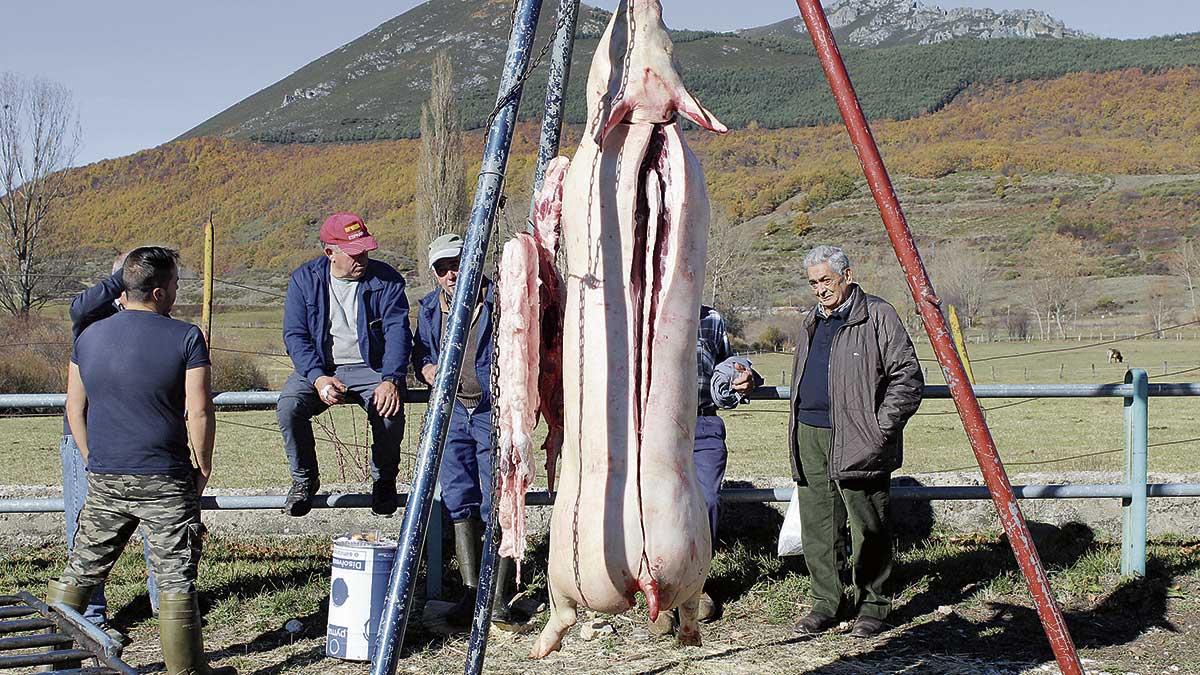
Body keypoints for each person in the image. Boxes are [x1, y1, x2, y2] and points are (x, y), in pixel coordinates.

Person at [48, 246, 235, 675]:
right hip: (166, 476)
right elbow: (200, 410)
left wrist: (92, 456)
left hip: (106, 475)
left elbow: (74, 408)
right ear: (157, 292)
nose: (175, 292)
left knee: (81, 570)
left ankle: (56, 664)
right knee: (174, 577)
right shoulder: (185, 337)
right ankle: (187, 671)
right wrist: (202, 468)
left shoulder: (87, 336)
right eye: (173, 286)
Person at [788, 245, 923, 639]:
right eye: (813, 283)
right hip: (810, 434)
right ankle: (826, 603)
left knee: (869, 526)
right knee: (819, 527)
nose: (819, 290)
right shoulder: (811, 320)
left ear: (847, 275)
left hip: (858, 437)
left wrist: (879, 429)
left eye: (825, 280)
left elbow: (907, 377)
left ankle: (873, 607)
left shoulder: (878, 315)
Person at [412, 233, 523, 628]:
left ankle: (497, 597)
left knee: (499, 497)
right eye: (442, 269)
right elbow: (421, 352)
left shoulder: (501, 300)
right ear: (435, 273)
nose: (451, 274)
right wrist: (425, 368)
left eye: (457, 264)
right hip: (453, 410)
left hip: (493, 410)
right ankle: (471, 593)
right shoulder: (429, 310)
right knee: (459, 496)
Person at [278, 212, 413, 517]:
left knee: (388, 410)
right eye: (354, 253)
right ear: (330, 253)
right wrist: (318, 378)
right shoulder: (304, 280)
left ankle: (384, 481)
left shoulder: (387, 279)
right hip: (321, 367)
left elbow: (397, 331)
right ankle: (304, 480)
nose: (362, 258)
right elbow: (295, 335)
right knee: (289, 407)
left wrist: (391, 379)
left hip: (373, 366)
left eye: (365, 250)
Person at [60, 253, 159, 634]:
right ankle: (90, 614)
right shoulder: (93, 320)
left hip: (142, 441)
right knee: (87, 529)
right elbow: (78, 307)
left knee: (158, 525)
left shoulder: (155, 318)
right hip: (88, 436)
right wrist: (124, 277)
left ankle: (162, 605)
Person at [651, 305, 761, 635]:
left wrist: (744, 380)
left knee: (707, 501)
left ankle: (696, 585)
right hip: (655, 424)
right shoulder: (646, 310)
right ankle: (657, 592)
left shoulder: (711, 319)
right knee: (657, 505)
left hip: (703, 421)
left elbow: (728, 364)